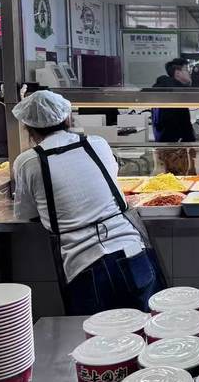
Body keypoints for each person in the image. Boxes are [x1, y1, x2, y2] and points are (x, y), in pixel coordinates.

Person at [12, 91, 165, 315]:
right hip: (131, 251)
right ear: (67, 118)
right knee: (148, 327)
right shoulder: (97, 144)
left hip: (82, 265)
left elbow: (25, 213)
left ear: (29, 128)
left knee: (94, 335)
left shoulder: (27, 162)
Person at [151, 58, 196, 143]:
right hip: (175, 146)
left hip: (165, 144)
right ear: (178, 73)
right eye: (187, 70)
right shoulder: (175, 94)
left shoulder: (165, 90)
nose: (189, 73)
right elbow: (178, 124)